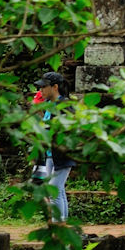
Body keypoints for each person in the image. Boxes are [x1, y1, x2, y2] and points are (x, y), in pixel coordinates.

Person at [31, 70, 76, 222]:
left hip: (62, 154)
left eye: (44, 87)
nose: (41, 90)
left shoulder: (64, 106)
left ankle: (59, 228)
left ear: (55, 87)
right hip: (50, 155)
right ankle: (61, 225)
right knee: (58, 191)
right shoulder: (49, 106)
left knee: (54, 190)